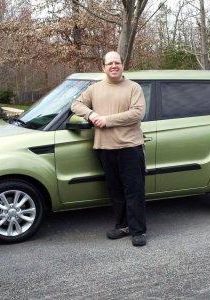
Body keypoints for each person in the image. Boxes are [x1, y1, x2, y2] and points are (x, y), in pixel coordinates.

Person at [71, 51, 147, 247]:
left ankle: (138, 231)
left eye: (117, 63)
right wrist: (91, 114)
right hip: (105, 148)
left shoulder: (133, 88)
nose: (114, 66)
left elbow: (137, 113)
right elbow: (75, 105)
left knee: (134, 190)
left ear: (123, 65)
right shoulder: (95, 89)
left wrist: (107, 120)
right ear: (103, 66)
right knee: (115, 191)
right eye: (110, 63)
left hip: (130, 147)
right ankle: (122, 226)